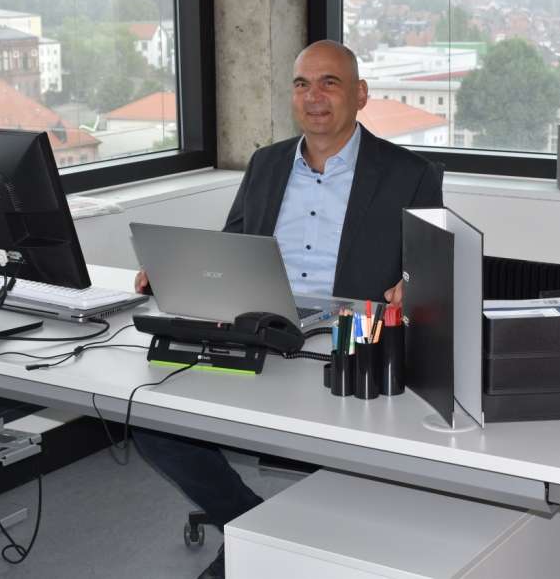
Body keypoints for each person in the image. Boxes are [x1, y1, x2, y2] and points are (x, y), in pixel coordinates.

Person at [132, 40, 443, 578]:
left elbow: (433, 267)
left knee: (349, 443)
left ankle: (266, 545)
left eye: (329, 83)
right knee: (152, 419)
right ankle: (250, 525)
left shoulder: (409, 172)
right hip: (260, 325)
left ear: (360, 95)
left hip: (352, 338)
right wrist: (175, 270)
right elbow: (234, 242)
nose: (313, 96)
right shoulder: (267, 163)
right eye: (302, 84)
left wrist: (413, 286)